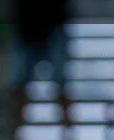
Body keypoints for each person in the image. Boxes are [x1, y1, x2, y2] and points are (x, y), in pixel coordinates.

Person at [10, 0, 71, 128]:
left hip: (46, 25)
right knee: (20, 85)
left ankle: (69, 130)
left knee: (61, 82)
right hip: (28, 27)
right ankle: (14, 130)